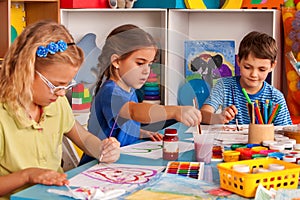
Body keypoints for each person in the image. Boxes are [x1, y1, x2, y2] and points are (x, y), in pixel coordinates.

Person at [0, 20, 120, 198]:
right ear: (25, 70)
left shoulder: (56, 103)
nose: (62, 93)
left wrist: (103, 149)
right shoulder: (3, 114)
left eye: (67, 85)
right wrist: (26, 176)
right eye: (55, 85)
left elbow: (84, 138)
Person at [79, 24, 201, 165]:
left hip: (120, 162)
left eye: (149, 64)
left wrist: (141, 132)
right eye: (140, 63)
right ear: (116, 61)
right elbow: (133, 111)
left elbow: (120, 124)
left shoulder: (129, 90)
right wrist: (175, 111)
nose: (146, 71)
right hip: (96, 166)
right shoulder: (110, 92)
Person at [201, 31, 292, 126]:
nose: (254, 74)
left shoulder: (276, 97)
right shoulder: (224, 86)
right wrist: (218, 118)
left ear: (272, 66)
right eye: (247, 67)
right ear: (239, 61)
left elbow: (285, 133)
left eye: (261, 69)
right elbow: (203, 115)